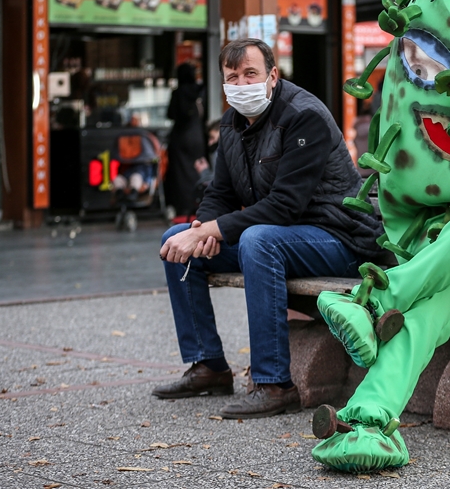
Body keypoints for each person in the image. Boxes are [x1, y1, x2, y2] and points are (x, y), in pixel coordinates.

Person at [154, 38, 382, 419]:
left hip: (339, 237)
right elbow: (221, 192)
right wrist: (200, 228)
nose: (242, 84)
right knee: (174, 240)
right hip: (286, 236)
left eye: (251, 74)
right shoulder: (231, 123)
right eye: (233, 77)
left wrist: (213, 229)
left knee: (258, 241)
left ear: (272, 75)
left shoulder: (304, 115)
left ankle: (274, 384)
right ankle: (208, 365)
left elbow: (284, 206)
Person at [165, 63, 206, 217]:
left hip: (180, 137)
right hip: (197, 137)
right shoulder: (200, 91)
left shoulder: (178, 93)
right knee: (198, 169)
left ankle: (183, 205)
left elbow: (170, 114)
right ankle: (199, 201)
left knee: (180, 173)